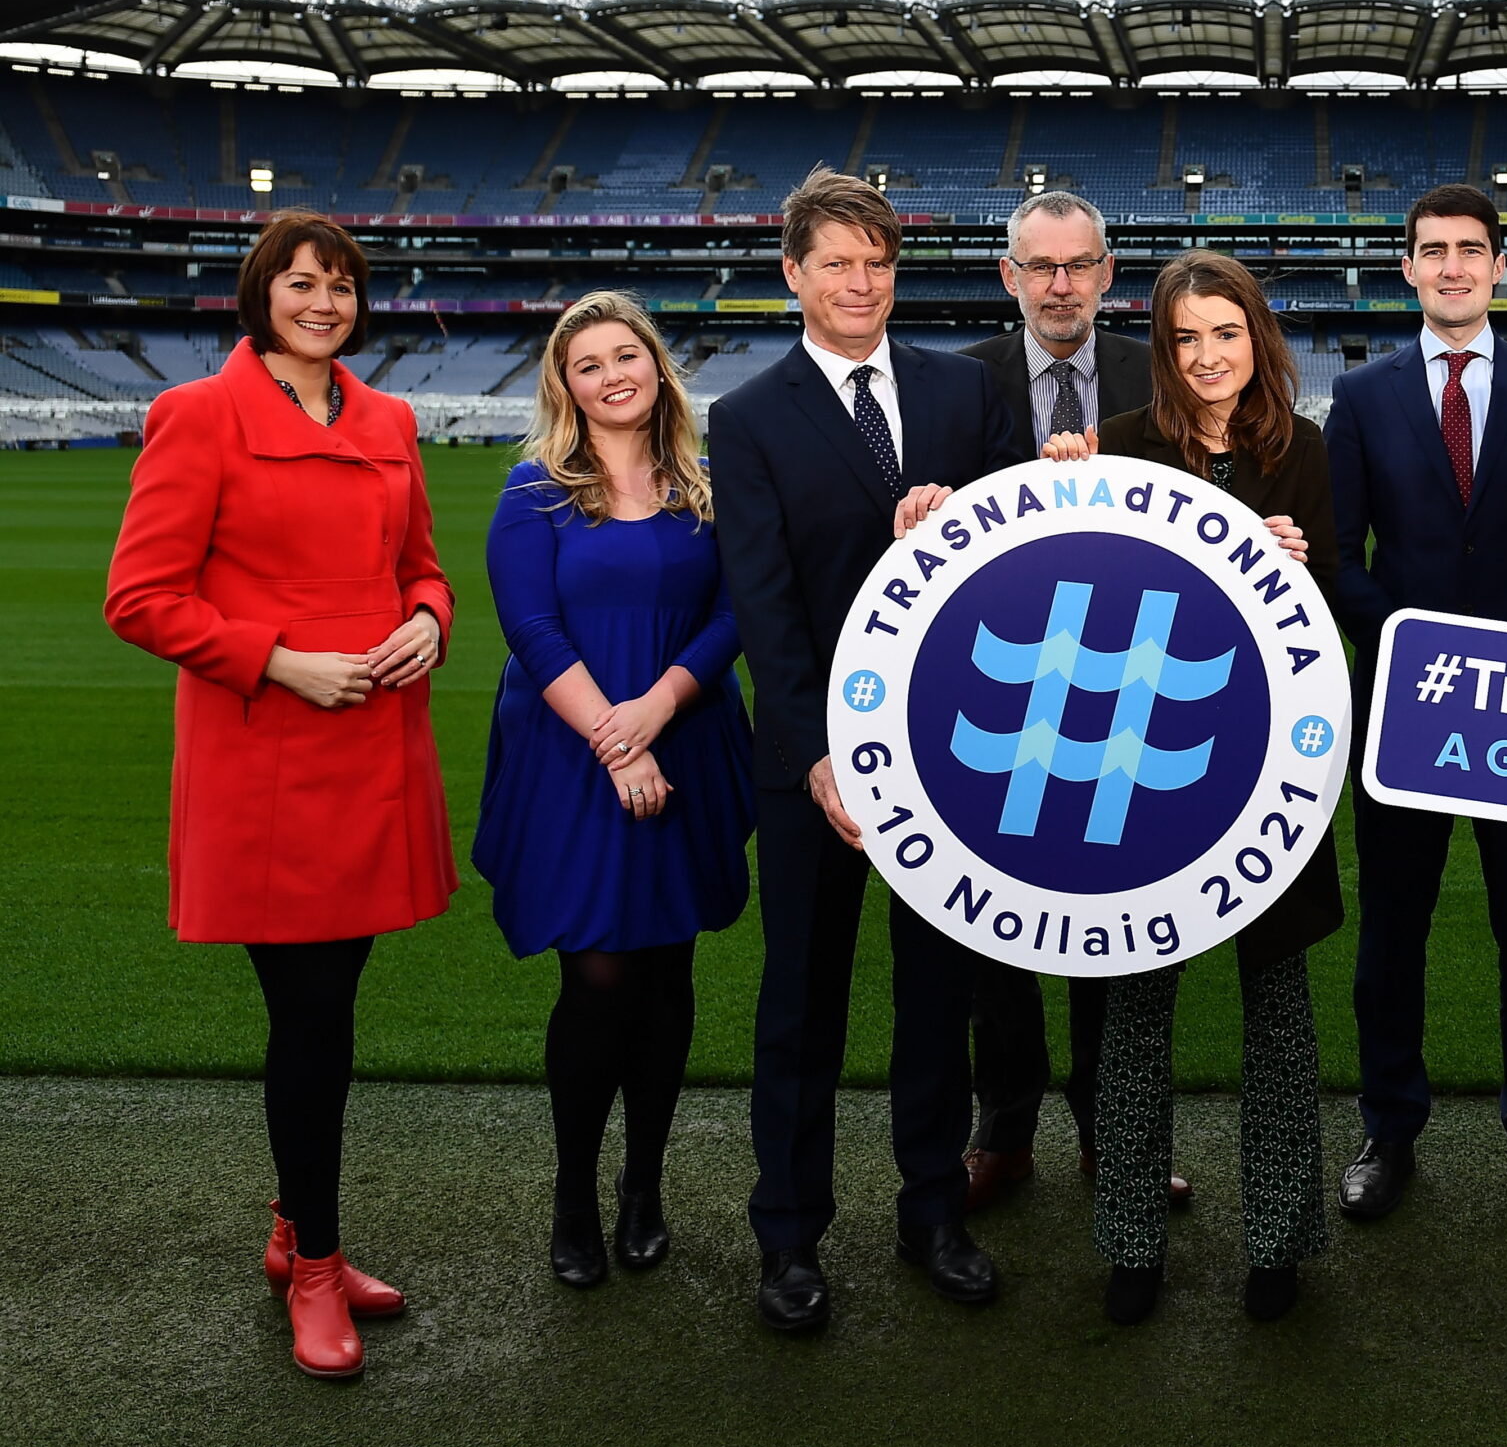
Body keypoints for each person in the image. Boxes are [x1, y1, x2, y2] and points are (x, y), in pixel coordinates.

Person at [104, 211, 455, 1383]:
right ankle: (314, 1265)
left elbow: (422, 565)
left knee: (331, 1009)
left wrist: (426, 622)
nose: (324, 301)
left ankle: (291, 1226)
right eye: (302, 283)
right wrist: (275, 658)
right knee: (310, 1023)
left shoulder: (391, 419)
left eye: (343, 285)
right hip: (265, 762)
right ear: (261, 296)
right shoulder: (198, 415)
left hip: (372, 750)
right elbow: (140, 597)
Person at [708, 166, 1022, 1334]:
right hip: (816, 771)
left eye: (877, 262)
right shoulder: (744, 421)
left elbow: (1010, 570)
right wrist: (813, 755)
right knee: (802, 1001)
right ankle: (788, 1235)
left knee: (940, 992)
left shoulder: (960, 391)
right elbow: (765, 608)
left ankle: (932, 1210)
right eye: (836, 263)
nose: (861, 282)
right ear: (793, 274)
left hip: (948, 753)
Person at [1042, 250, 1343, 1329]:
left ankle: (1278, 1245)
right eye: (1185, 339)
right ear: (1163, 354)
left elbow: (1334, 608)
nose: (1209, 356)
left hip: (1269, 776)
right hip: (1140, 772)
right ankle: (1129, 1243)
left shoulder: (1302, 450)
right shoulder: (1117, 449)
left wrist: (1301, 564)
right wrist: (1057, 488)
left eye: (1227, 333)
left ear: (1256, 339)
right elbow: (1070, 602)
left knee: (1277, 1012)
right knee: (1132, 1015)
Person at [1325, 182, 1507, 1222]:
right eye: (1431, 249)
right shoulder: (1362, 396)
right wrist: (1413, 651)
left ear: (1498, 267)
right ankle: (1388, 1128)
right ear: (1406, 267)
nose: (1450, 266)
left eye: (1469, 249)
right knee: (1390, 930)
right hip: (1404, 700)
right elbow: (1343, 558)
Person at [475, 291, 754, 1287]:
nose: (611, 375)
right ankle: (573, 1192)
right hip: (573, 754)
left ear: (656, 367)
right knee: (595, 977)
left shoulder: (708, 487)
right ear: (565, 385)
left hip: (683, 737)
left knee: (666, 975)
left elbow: (733, 617)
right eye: (587, 363)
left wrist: (659, 711)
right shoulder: (533, 491)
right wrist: (614, 736)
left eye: (625, 354)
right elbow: (530, 627)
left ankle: (644, 1185)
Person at [957, 191, 1180, 1213]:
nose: (1058, 285)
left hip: (1133, 691)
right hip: (997, 697)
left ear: (1105, 274)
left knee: (1118, 929)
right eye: (1038, 267)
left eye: (1077, 265)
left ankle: (1113, 1132)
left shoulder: (1159, 377)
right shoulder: (960, 386)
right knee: (993, 935)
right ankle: (1001, 1129)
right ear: (1009, 276)